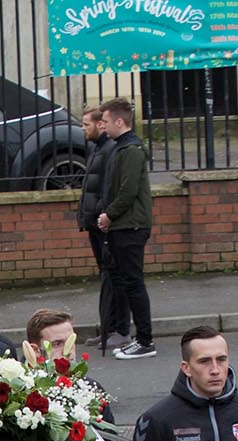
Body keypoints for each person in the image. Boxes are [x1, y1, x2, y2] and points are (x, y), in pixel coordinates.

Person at [96, 98, 153, 360]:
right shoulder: (122, 148)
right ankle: (137, 336)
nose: (103, 127)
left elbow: (128, 191)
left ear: (120, 121)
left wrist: (109, 214)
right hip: (124, 224)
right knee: (126, 282)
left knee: (133, 283)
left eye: (106, 121)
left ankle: (145, 340)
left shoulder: (131, 150)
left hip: (130, 226)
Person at [75, 104, 119, 348]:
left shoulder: (109, 149)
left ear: (100, 124)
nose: (83, 129)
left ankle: (111, 329)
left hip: (102, 224)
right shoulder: (96, 148)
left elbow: (105, 188)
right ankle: (107, 328)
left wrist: (102, 213)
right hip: (93, 222)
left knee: (110, 278)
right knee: (106, 276)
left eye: (86, 124)